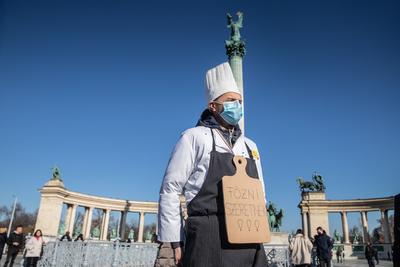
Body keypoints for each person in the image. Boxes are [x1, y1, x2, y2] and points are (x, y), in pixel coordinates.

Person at [158, 62, 267, 267]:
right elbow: (170, 189)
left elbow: (260, 192)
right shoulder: (193, 137)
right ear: (213, 106)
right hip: (209, 234)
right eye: (231, 100)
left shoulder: (250, 145)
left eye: (240, 101)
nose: (237, 105)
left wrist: (261, 227)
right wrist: (174, 239)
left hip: (250, 235)